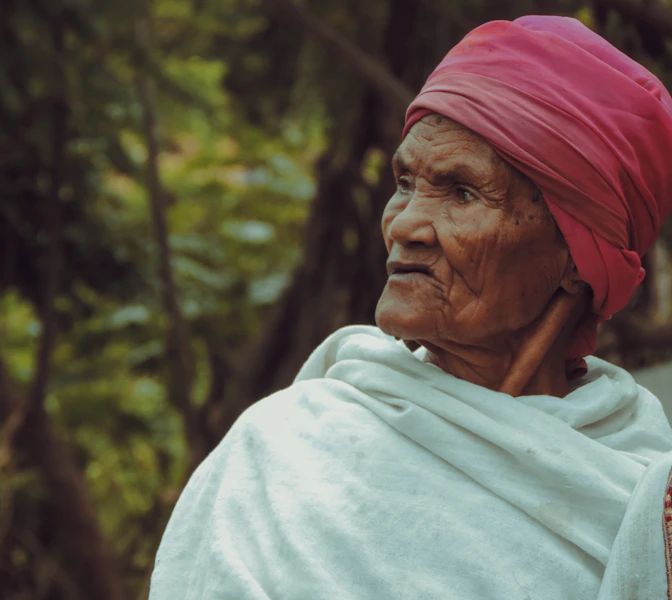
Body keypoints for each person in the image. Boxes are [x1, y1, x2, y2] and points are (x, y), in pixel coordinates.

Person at [149, 16, 672, 599]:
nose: (404, 224)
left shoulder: (647, 502)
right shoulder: (286, 456)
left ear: (579, 256)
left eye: (462, 192)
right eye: (404, 182)